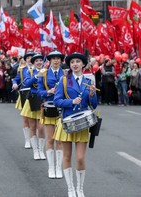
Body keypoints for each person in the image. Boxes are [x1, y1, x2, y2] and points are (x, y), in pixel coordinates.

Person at [53, 52, 97, 197]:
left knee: (80, 158)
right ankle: (70, 188)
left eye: (78, 61)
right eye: (72, 62)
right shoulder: (64, 81)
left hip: (83, 123)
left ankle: (80, 188)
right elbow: (56, 101)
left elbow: (94, 105)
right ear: (70, 65)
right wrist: (71, 102)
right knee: (66, 156)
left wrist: (92, 95)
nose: (75, 64)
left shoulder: (89, 81)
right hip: (67, 122)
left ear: (83, 64)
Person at [37, 50, 65, 179]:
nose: (56, 60)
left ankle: (59, 168)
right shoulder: (43, 73)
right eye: (53, 58)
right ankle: (51, 168)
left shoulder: (65, 73)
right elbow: (39, 92)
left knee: (59, 140)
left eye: (58, 58)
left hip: (62, 109)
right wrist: (48, 91)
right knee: (50, 138)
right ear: (49, 60)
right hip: (49, 107)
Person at [21, 53, 46, 160]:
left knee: (41, 128)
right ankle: (35, 151)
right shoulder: (30, 71)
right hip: (32, 100)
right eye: (37, 61)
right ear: (34, 63)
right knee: (32, 127)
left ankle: (41, 150)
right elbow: (26, 84)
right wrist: (36, 76)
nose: (39, 62)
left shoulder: (46, 72)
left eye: (40, 60)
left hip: (42, 101)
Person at [12, 52, 34, 149]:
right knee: (25, 118)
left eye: (31, 57)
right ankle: (27, 140)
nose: (29, 59)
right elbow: (15, 79)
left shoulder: (40, 70)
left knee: (35, 120)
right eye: (28, 58)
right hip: (24, 94)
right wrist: (14, 84)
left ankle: (34, 139)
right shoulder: (21, 69)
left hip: (35, 94)